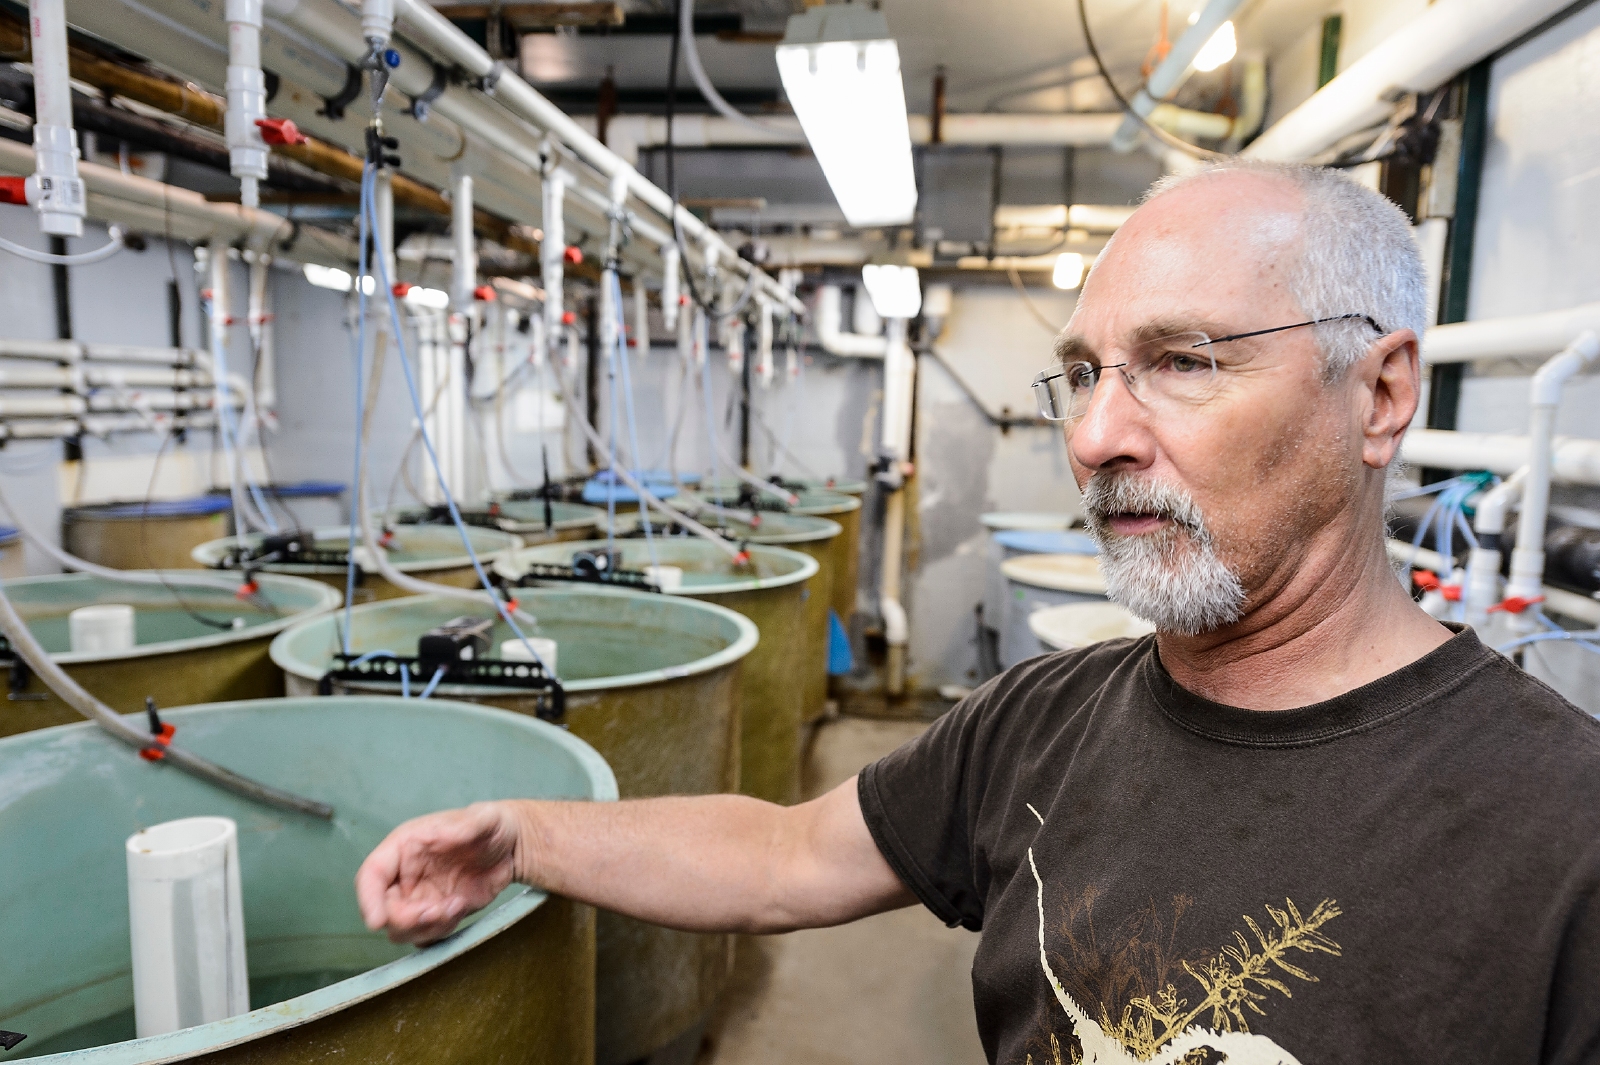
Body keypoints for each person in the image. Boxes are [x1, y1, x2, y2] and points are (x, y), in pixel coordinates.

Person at [355, 161, 1600, 1063]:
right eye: (1079, 374)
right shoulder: (1039, 722)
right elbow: (786, 858)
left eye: (1185, 362)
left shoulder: (1561, 833)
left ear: (1379, 395)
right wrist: (524, 839)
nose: (1097, 435)